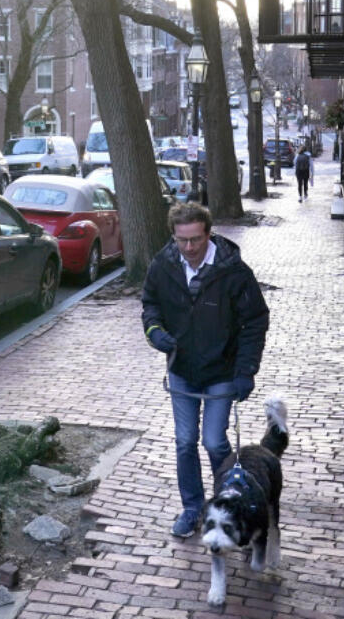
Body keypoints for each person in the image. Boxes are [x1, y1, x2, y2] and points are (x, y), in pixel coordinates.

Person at [141, 202, 270, 537]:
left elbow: (255, 320)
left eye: (195, 240)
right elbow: (150, 304)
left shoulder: (233, 271)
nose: (189, 249)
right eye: (182, 241)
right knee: (185, 442)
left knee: (214, 442)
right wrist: (155, 333)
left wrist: (246, 370)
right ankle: (192, 508)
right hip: (182, 370)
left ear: (208, 234)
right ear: (174, 236)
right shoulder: (163, 265)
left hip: (222, 372)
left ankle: (227, 501)